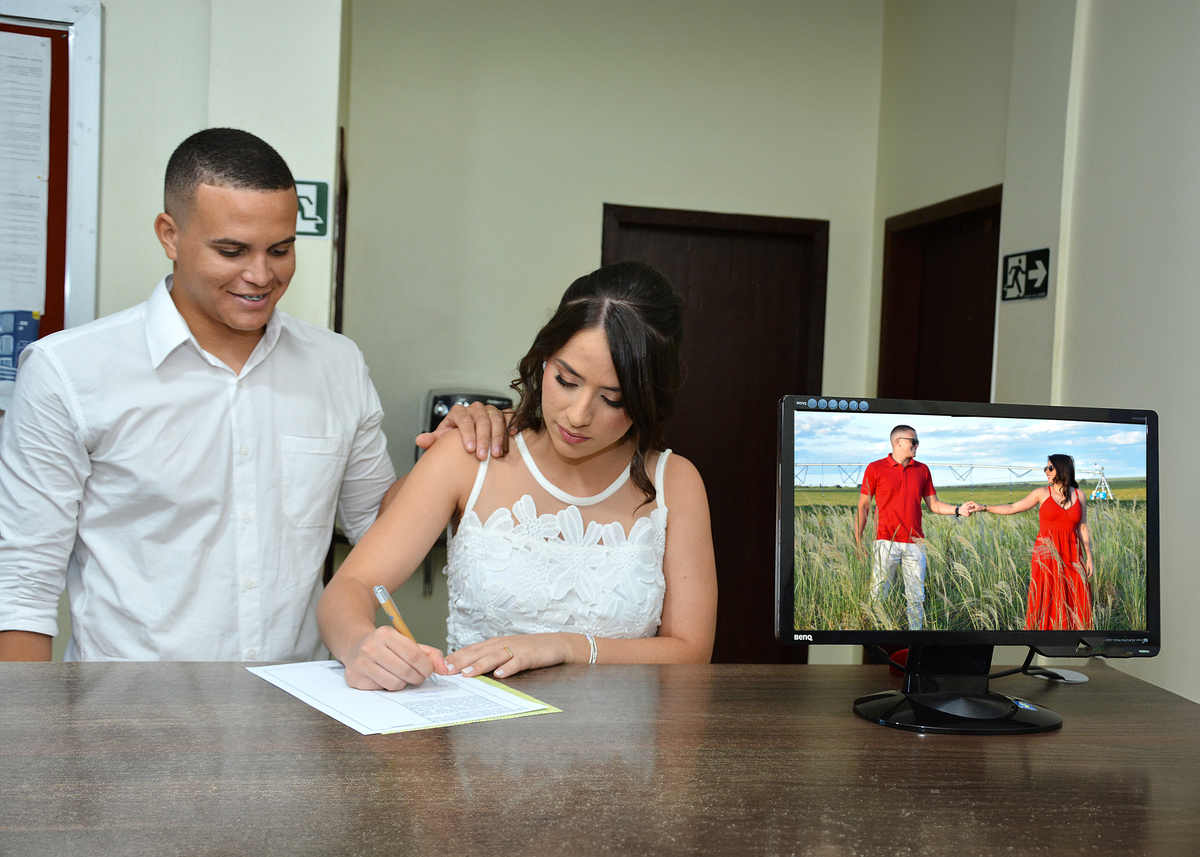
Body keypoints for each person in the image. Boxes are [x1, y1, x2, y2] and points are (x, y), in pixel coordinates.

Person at [0, 128, 503, 663]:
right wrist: (29, 739)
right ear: (169, 235)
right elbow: (22, 584)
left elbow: (374, 528)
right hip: (132, 718)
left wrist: (449, 458)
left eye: (280, 250)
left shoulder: (336, 365)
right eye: (231, 250)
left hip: (300, 710)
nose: (261, 275)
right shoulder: (68, 372)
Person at [318, 261, 718, 690]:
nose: (578, 415)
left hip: (621, 753)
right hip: (479, 741)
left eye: (612, 399)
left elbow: (690, 651)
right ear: (543, 358)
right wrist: (360, 643)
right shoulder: (471, 452)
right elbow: (351, 586)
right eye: (566, 381)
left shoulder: (676, 482)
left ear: (648, 397)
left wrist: (564, 646)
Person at [855, 424, 971, 630]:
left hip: (916, 543)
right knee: (878, 594)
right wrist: (858, 541)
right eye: (913, 441)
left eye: (917, 441)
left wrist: (957, 510)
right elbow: (863, 505)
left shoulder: (922, 470)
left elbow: (934, 504)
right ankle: (874, 632)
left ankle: (914, 638)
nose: (917, 445)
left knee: (916, 598)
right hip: (885, 541)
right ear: (897, 442)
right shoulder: (875, 468)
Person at [964, 454, 1094, 630]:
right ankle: (1043, 635)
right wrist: (984, 507)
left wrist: (1089, 558)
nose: (1046, 472)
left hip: (1072, 556)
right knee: (1046, 595)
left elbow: (1083, 528)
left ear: (1063, 468)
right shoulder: (1041, 493)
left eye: (1050, 468)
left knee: (1075, 596)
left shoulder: (1080, 495)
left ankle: (1072, 637)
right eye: (1045, 469)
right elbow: (1013, 507)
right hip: (1046, 555)